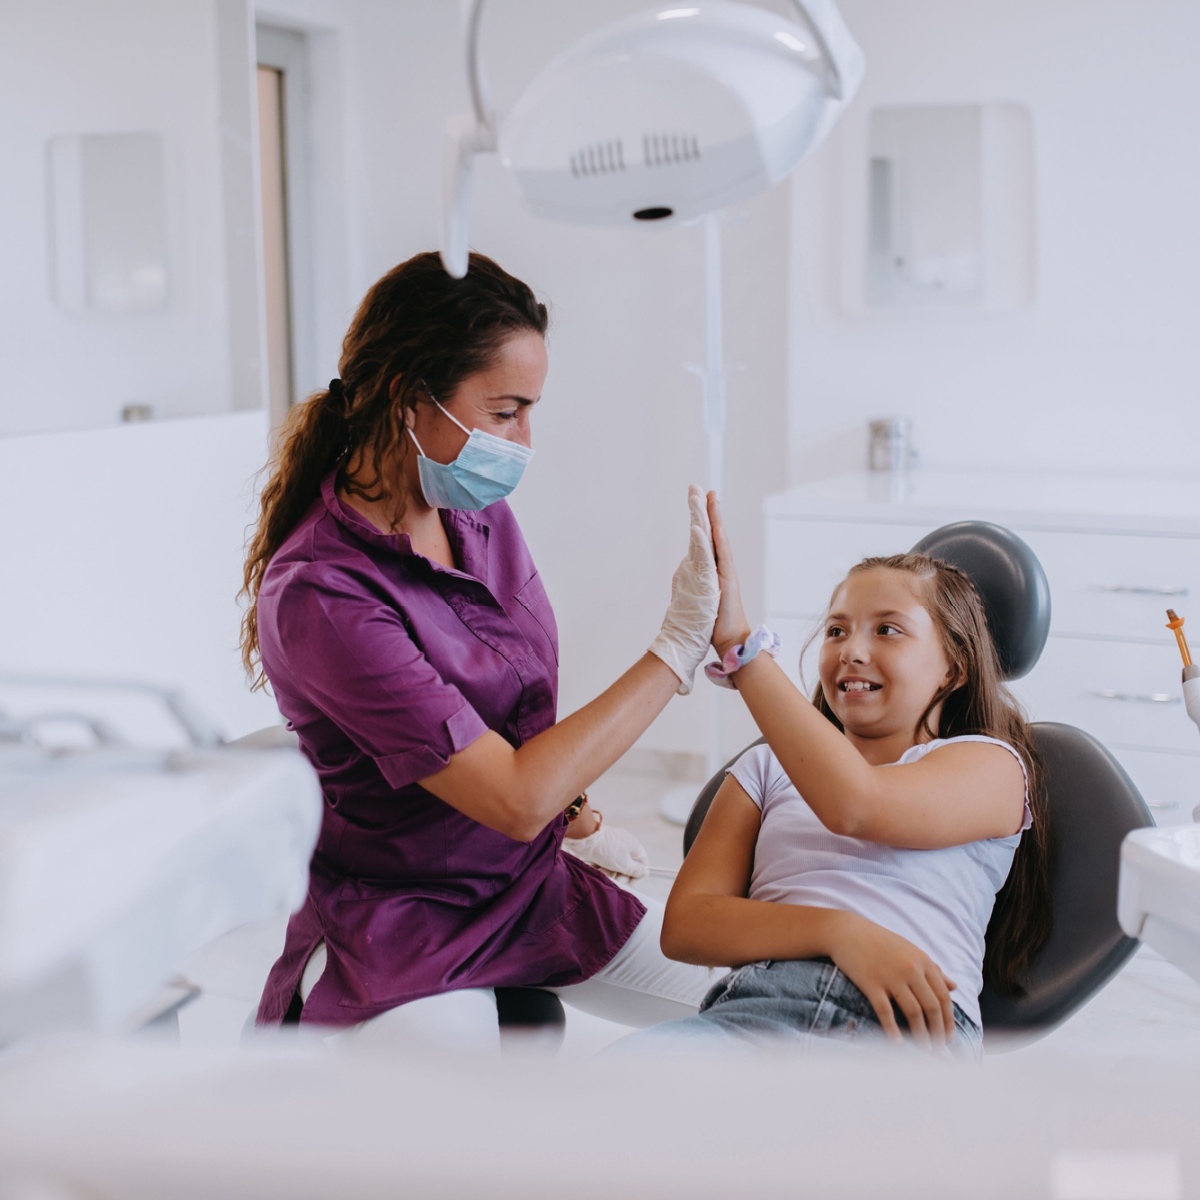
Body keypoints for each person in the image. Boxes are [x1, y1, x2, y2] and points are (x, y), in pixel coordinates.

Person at [241, 252, 720, 1046]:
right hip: (404, 923)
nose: (525, 439)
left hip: (526, 882)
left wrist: (577, 818)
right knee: (471, 1137)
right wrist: (675, 649)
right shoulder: (322, 594)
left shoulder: (473, 511)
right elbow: (510, 794)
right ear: (407, 397)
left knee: (763, 1004)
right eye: (505, 411)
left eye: (531, 410)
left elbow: (512, 714)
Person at [628, 496, 1053, 1057]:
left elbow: (859, 806)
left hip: (899, 1030)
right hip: (752, 1008)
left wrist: (741, 649)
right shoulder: (764, 767)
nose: (852, 650)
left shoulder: (991, 764)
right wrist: (839, 932)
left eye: (888, 631)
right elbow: (686, 924)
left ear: (953, 666)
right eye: (836, 631)